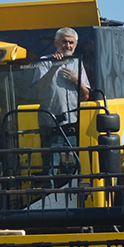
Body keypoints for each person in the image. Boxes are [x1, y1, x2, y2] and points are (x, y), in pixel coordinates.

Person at [33, 27, 91, 173]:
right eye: (64, 42)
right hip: (51, 125)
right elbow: (39, 90)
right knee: (50, 167)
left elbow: (85, 96)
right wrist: (54, 67)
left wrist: (75, 80)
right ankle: (50, 194)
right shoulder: (44, 62)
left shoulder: (78, 64)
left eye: (71, 43)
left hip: (73, 125)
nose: (68, 46)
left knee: (72, 168)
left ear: (75, 45)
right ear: (56, 43)